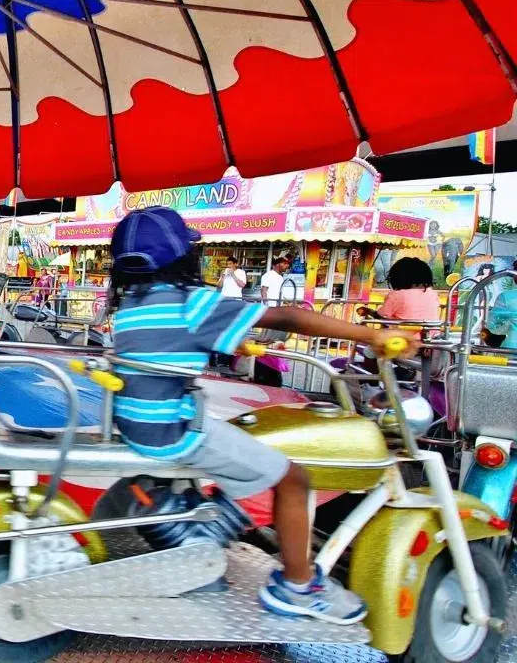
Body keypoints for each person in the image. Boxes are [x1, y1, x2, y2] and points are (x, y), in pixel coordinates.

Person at [107, 207, 415, 624]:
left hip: (141, 422)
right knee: (293, 478)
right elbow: (285, 316)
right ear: (184, 257)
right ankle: (299, 587)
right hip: (173, 429)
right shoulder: (192, 304)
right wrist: (372, 334)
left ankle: (206, 532)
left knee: (242, 448)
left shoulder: (130, 308)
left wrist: (233, 343)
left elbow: (169, 345)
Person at [358, 257, 440, 322]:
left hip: (402, 338)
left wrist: (367, 311)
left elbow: (381, 316)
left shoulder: (397, 295)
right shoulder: (431, 293)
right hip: (431, 336)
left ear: (397, 277)